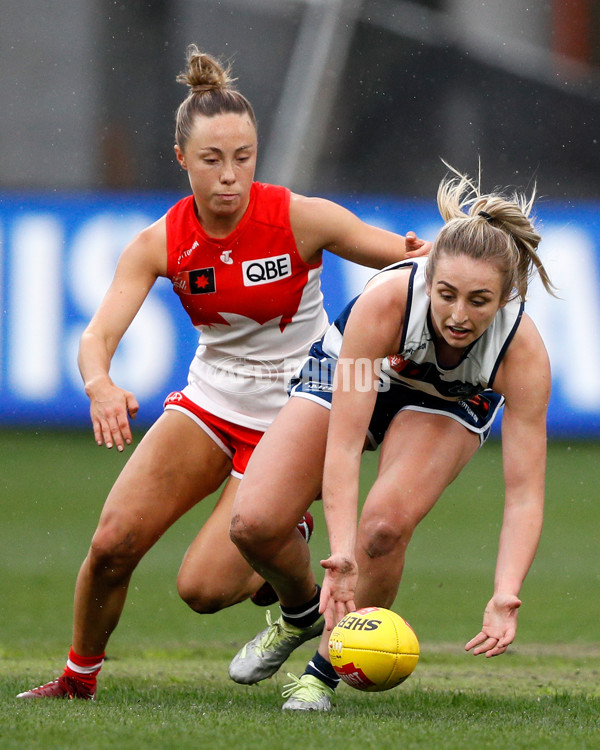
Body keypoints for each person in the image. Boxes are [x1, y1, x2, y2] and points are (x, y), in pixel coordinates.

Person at [17, 46, 428, 701]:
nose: (230, 176)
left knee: (200, 591)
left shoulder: (298, 219)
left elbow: (408, 256)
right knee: (114, 541)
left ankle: (289, 572)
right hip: (210, 402)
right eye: (212, 160)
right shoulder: (161, 241)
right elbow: (96, 336)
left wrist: (467, 250)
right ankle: (78, 679)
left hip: (301, 409)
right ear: (182, 159)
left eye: (244, 157)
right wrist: (100, 384)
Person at [228, 165, 554, 711]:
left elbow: (524, 492)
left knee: (381, 528)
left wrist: (505, 593)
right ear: (427, 279)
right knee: (253, 525)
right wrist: (340, 555)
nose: (457, 315)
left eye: (479, 301)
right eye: (446, 294)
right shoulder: (387, 303)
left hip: (445, 401)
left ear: (505, 297)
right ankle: (302, 612)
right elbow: (346, 441)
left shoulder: (520, 352)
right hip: (360, 375)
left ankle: (324, 670)